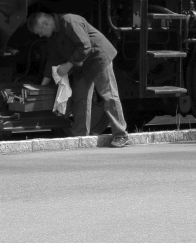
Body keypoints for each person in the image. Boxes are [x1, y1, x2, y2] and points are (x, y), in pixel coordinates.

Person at [26, 11, 130, 148]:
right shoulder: (53, 37)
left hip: (98, 58)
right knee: (80, 98)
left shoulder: (69, 21)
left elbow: (85, 46)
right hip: (81, 65)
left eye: (39, 32)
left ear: (46, 23)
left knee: (108, 95)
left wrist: (68, 66)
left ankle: (121, 135)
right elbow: (52, 60)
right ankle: (80, 137)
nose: (40, 35)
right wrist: (42, 87)